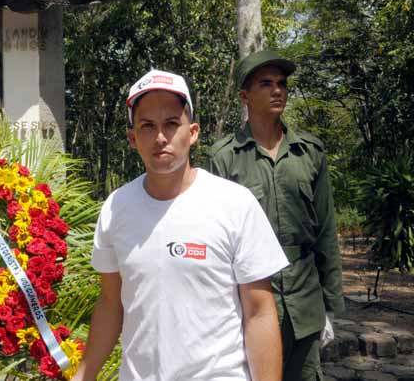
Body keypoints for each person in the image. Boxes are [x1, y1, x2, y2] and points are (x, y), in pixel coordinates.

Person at [71, 69, 288, 381]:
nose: (160, 136)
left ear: (193, 132)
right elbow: (110, 303)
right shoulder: (116, 208)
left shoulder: (234, 204)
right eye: (147, 126)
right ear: (133, 138)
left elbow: (259, 312)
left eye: (172, 123)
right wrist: (84, 375)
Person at [209, 50, 344, 381]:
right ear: (245, 96)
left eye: (282, 83)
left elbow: (326, 231)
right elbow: (217, 242)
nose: (277, 90)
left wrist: (329, 306)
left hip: (304, 301)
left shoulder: (309, 152)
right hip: (252, 301)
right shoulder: (224, 158)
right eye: (265, 83)